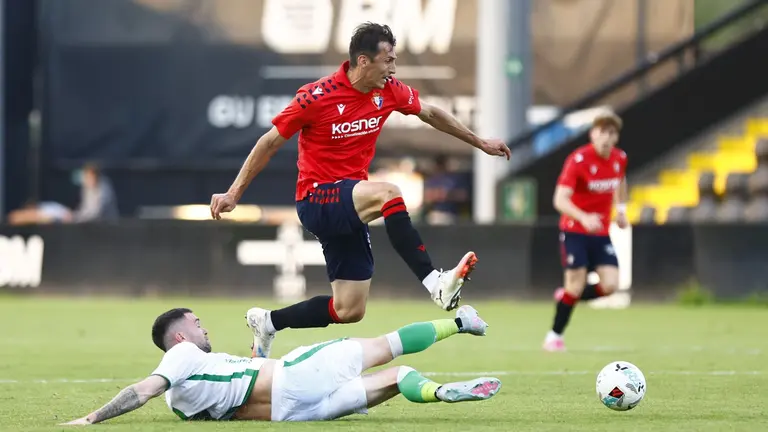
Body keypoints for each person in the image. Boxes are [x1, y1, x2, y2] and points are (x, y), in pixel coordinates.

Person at [209, 22, 511, 358]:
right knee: (388, 193)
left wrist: (480, 142)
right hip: (317, 198)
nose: (393, 68)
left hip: (350, 202)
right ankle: (433, 283)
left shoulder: (390, 90)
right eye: (388, 60)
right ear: (364, 61)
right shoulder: (316, 97)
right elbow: (269, 142)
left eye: (394, 60)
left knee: (349, 309)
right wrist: (233, 193)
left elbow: (430, 114)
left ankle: (268, 322)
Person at [60, 305, 501, 425]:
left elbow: (242, 384)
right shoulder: (181, 356)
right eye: (196, 324)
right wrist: (92, 418)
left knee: (398, 380)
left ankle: (440, 391)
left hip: (294, 412)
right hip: (296, 375)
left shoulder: (184, 400)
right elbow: (146, 388)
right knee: (387, 347)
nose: (203, 328)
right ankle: (463, 321)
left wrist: (260, 343)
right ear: (178, 337)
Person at [543, 111, 629, 352]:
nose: (607, 138)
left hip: (600, 233)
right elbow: (559, 199)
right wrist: (583, 216)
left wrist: (621, 210)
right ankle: (554, 336)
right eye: (602, 131)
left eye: (612, 133)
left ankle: (567, 298)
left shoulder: (619, 158)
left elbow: (620, 182)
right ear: (593, 133)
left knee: (611, 285)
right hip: (574, 231)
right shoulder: (578, 160)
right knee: (576, 285)